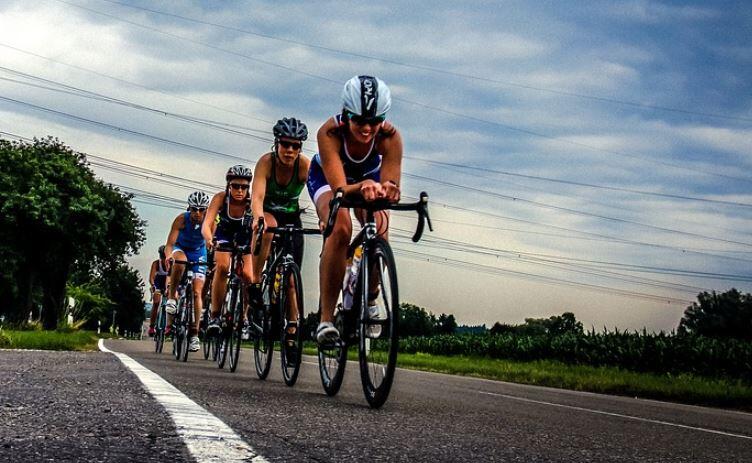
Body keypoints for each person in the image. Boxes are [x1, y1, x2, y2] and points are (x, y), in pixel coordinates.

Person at [306, 75, 402, 343]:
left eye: (374, 121)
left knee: (380, 227)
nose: (367, 128)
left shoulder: (391, 138)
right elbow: (339, 190)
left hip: (367, 179)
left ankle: (371, 295)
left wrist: (390, 190)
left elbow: (390, 183)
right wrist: (364, 186)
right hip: (328, 179)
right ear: (346, 114)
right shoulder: (330, 132)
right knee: (340, 227)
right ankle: (325, 319)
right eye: (359, 121)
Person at [250, 117, 310, 344]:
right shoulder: (266, 163)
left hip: (292, 216)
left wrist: (326, 217)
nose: (290, 150)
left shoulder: (304, 165)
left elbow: (319, 192)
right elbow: (256, 196)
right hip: (267, 212)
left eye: (296, 146)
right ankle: (256, 280)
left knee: (292, 280)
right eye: (286, 144)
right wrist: (258, 217)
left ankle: (293, 329)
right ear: (276, 144)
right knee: (270, 227)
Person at [203, 165, 254, 334]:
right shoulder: (221, 198)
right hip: (224, 235)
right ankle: (215, 315)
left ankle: (245, 316)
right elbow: (207, 224)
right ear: (228, 186)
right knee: (223, 267)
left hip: (244, 236)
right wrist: (209, 239)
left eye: (244, 187)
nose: (240, 191)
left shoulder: (251, 203)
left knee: (248, 275)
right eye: (236, 186)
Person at [164, 191, 211, 352]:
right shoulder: (181, 220)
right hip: (181, 248)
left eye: (201, 210)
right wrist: (169, 256)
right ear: (189, 208)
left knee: (197, 293)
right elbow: (169, 244)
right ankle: (172, 298)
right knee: (180, 261)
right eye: (194, 209)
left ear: (206, 210)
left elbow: (212, 241)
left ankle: (194, 333)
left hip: (199, 252)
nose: (197, 213)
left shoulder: (209, 222)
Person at [147, 245, 169, 337]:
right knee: (156, 303)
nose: (164, 259)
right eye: (162, 257)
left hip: (168, 284)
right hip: (158, 284)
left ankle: (169, 325)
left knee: (171, 303)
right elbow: (151, 278)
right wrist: (153, 286)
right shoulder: (156, 264)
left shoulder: (172, 264)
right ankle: (152, 326)